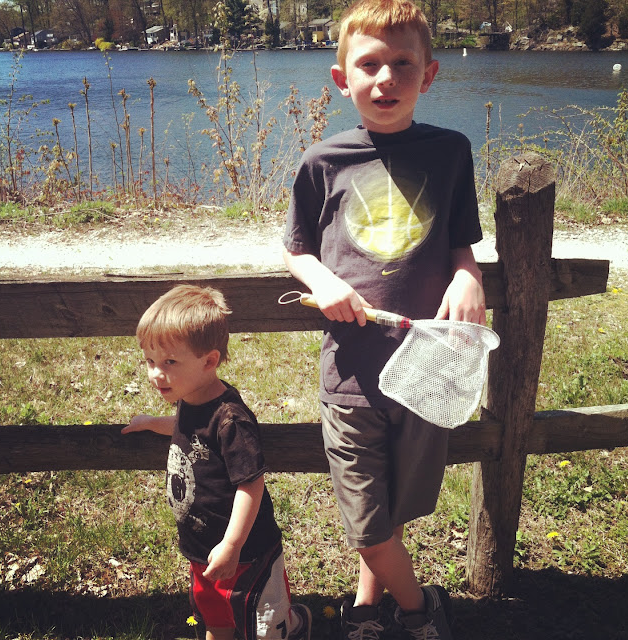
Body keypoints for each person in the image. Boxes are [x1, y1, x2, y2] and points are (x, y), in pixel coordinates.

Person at [282, 0, 486, 638]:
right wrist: (324, 281)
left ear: (429, 74)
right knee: (367, 525)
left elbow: (460, 242)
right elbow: (296, 249)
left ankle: (367, 608)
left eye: (403, 64)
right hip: (352, 376)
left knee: (395, 504)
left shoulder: (450, 152)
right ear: (342, 78)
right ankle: (422, 611)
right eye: (369, 65)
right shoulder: (322, 161)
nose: (386, 79)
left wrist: (468, 277)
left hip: (427, 370)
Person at [121, 284, 312, 640]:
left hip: (246, 556)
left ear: (209, 361)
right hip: (202, 551)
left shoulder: (231, 420)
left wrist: (232, 545)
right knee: (215, 619)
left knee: (264, 628)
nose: (155, 373)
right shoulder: (190, 396)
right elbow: (187, 428)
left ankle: (296, 625)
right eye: (149, 361)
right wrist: (151, 422)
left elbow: (251, 484)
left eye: (169, 362)